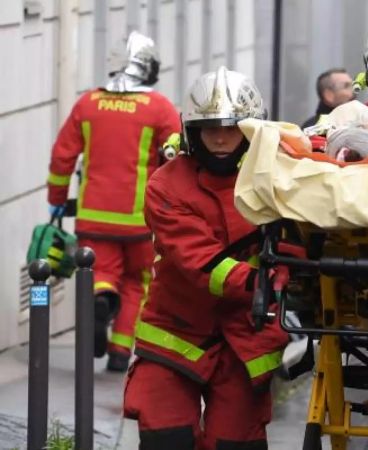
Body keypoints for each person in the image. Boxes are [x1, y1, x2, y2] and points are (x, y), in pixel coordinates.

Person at [123, 66, 289, 448]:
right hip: (175, 331)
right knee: (167, 437)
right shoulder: (167, 185)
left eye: (230, 128)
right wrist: (262, 282)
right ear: (190, 131)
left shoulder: (280, 177)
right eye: (208, 127)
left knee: (235, 443)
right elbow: (199, 261)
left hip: (247, 339)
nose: (218, 138)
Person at [46, 30, 181, 372]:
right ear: (148, 67)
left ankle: (101, 300)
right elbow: (177, 158)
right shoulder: (160, 108)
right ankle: (121, 352)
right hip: (140, 219)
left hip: (94, 216)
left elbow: (63, 157)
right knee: (138, 281)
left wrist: (57, 199)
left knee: (100, 272)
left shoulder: (88, 103)